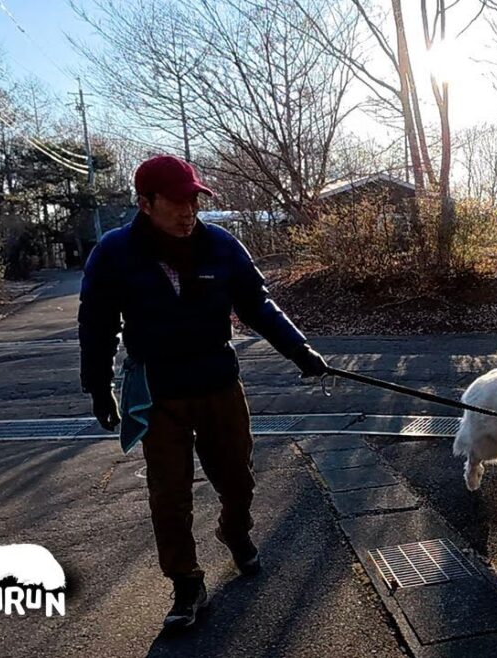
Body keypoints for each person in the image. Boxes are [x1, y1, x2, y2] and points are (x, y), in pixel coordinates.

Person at [77, 154, 328, 632]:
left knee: (237, 480)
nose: (188, 211)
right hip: (158, 392)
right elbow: (97, 324)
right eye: (176, 202)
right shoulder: (114, 252)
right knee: (168, 494)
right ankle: (186, 582)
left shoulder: (220, 245)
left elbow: (258, 305)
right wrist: (98, 386)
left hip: (219, 385)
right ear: (145, 203)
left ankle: (235, 531)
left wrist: (300, 351)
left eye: (193, 200)